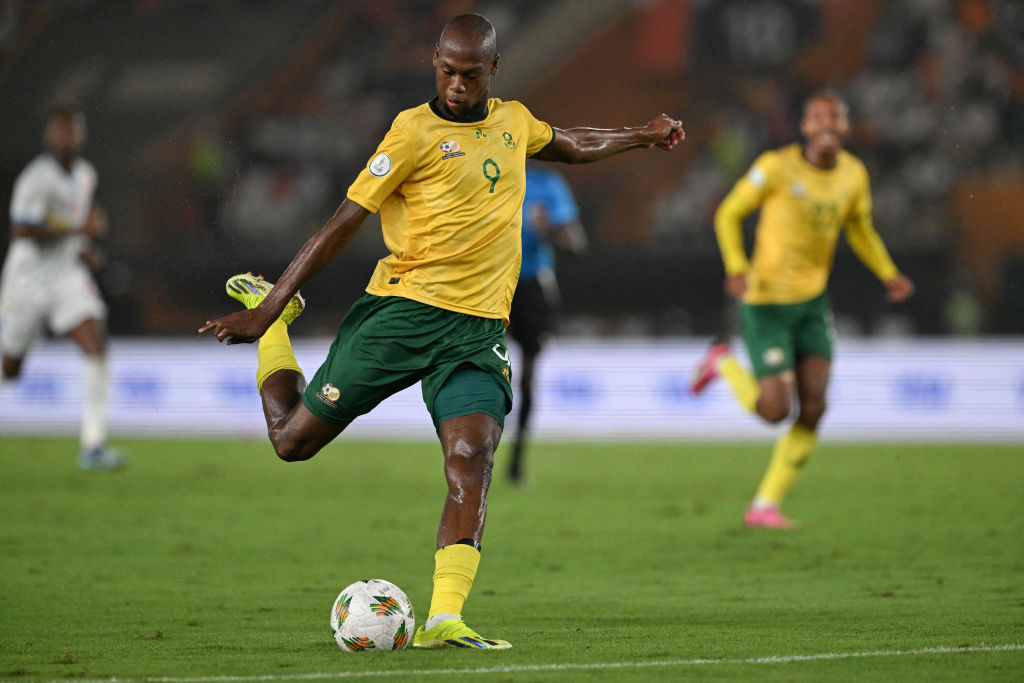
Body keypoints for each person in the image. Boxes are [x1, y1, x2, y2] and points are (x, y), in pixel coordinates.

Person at [200, 13, 682, 649]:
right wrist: (268, 310)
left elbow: (567, 142)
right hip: (402, 315)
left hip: (477, 329)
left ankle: (444, 618)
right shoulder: (410, 132)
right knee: (291, 441)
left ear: (493, 71)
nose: (457, 84)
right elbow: (341, 224)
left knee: (470, 457)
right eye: (447, 71)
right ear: (435, 64)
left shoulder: (513, 121)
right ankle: (277, 330)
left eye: (470, 74)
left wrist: (641, 137)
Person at [690, 90, 912, 530]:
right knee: (775, 411)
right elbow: (728, 214)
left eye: (836, 116)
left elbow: (860, 228)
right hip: (766, 304)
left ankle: (764, 506)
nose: (827, 123)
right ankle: (723, 363)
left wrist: (888, 273)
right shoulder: (775, 167)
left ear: (846, 127)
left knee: (814, 408)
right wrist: (736, 265)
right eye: (818, 117)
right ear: (805, 127)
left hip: (812, 305)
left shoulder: (854, 174)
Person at [0, 102, 124, 471]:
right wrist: (78, 232)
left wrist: (85, 249)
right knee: (10, 369)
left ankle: (93, 445)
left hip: (67, 276)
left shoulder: (86, 174)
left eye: (72, 129)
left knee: (96, 344)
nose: (66, 136)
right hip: (27, 280)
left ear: (81, 135)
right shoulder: (35, 178)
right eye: (60, 129)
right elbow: (21, 228)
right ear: (48, 135)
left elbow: (73, 221)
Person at [505, 163, 586, 484]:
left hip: (531, 286)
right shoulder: (484, 170)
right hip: (487, 283)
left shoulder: (547, 184)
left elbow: (577, 245)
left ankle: (516, 460)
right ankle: (474, 454)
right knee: (482, 372)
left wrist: (548, 229)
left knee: (526, 379)